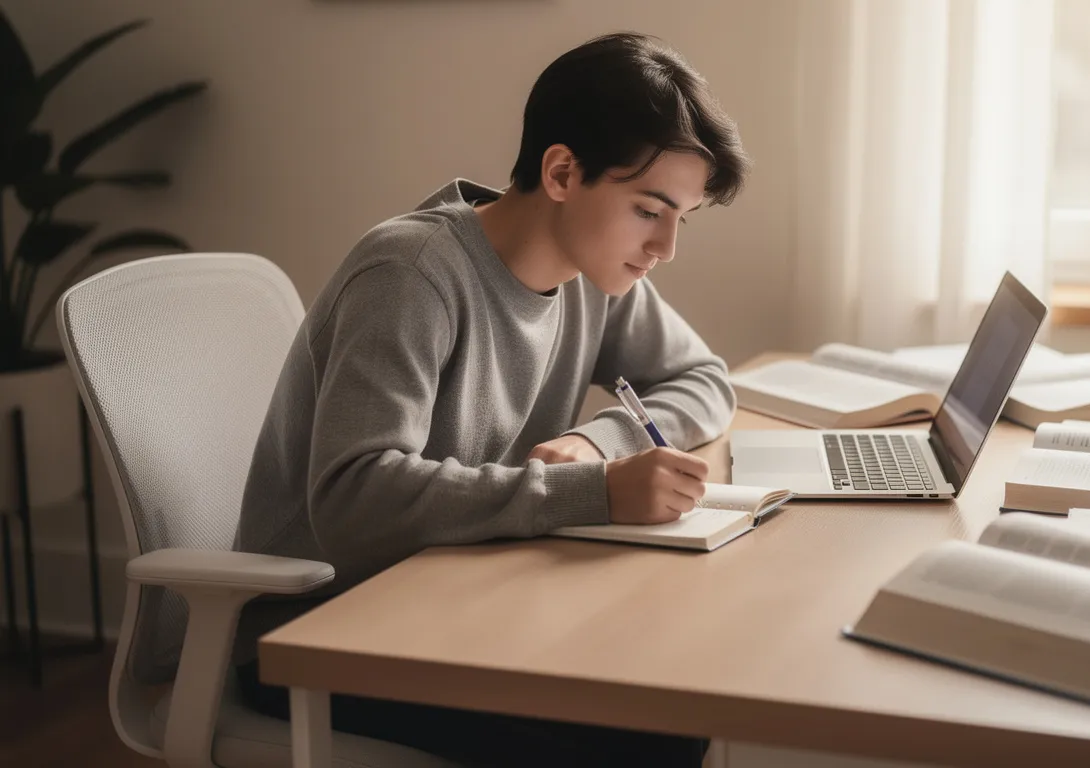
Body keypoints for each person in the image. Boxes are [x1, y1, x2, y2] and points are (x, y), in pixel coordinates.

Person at [231, 30, 750, 767]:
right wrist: (592, 492)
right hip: (318, 636)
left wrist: (602, 442)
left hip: (457, 599)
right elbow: (354, 498)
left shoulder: (593, 275)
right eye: (648, 209)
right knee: (643, 735)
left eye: (681, 220)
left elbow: (703, 381)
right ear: (564, 173)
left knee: (679, 683)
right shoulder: (411, 274)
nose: (666, 246)